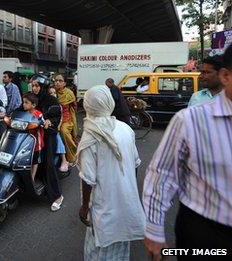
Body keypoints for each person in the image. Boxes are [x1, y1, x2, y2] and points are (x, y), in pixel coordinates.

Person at [143, 45, 232, 261]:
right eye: (200, 72)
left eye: (205, 72)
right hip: (206, 232)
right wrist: (154, 230)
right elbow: (162, 174)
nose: (202, 76)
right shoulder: (189, 119)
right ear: (226, 76)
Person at [77, 85, 145, 261]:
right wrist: (127, 186)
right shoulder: (125, 128)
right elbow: (135, 163)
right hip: (126, 201)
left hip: (104, 206)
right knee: (121, 248)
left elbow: (88, 179)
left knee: (99, 248)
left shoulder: (90, 135)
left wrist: (85, 207)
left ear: (88, 105)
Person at [30, 75, 64, 211]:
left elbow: (56, 114)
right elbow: (22, 108)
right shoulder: (31, 98)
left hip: (48, 134)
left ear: (43, 86)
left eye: (37, 85)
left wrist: (50, 121)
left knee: (48, 163)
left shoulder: (51, 99)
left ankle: (57, 196)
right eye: (33, 85)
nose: (34, 88)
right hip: (32, 133)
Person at [54, 73, 78, 166]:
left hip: (66, 119)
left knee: (63, 131)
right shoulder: (52, 91)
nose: (57, 83)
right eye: (56, 80)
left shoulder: (69, 93)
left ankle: (73, 153)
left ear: (64, 83)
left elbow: (74, 107)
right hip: (54, 118)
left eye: (60, 81)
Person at [21, 92, 44, 183]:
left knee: (34, 160)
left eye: (26, 102)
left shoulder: (38, 114)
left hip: (36, 141)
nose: (24, 104)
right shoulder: (24, 114)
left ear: (33, 105)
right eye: (23, 102)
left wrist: (42, 123)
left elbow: (42, 122)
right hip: (26, 140)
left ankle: (32, 177)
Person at [49, 86, 69, 172]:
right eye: (50, 93)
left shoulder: (58, 105)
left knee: (57, 137)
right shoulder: (45, 104)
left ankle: (64, 160)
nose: (53, 94)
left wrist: (58, 126)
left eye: (54, 93)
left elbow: (60, 118)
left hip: (54, 127)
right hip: (46, 127)